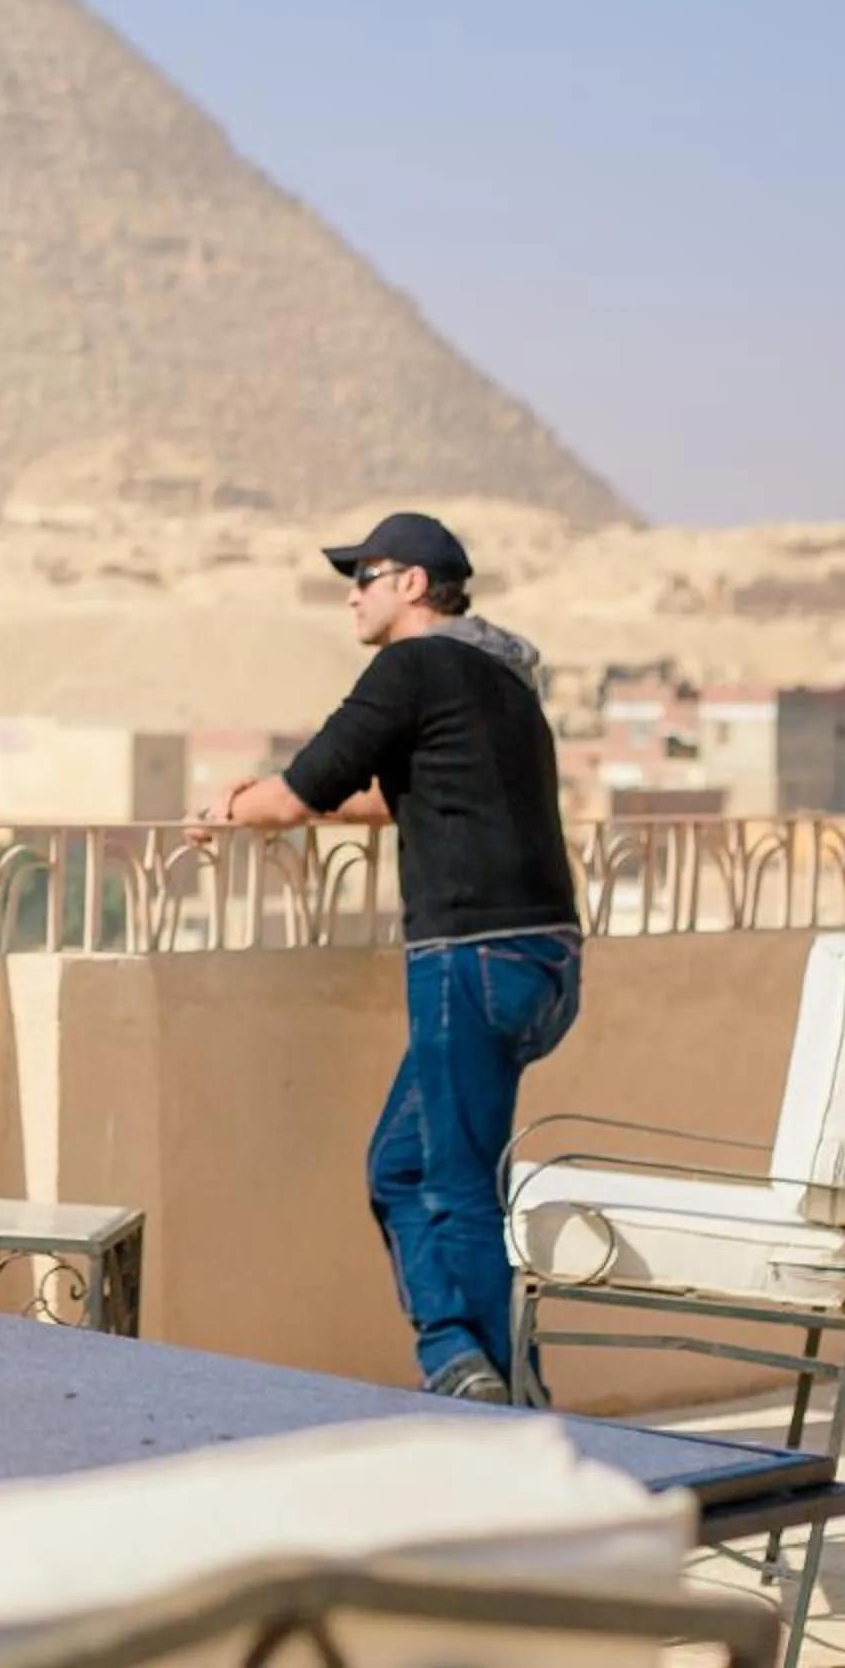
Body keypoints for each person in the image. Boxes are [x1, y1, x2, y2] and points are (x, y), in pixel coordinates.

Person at [203, 511, 582, 1402]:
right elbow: (389, 796)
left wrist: (234, 809)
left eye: (365, 576)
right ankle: (461, 1364)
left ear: (412, 585)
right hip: (546, 960)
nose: (351, 593)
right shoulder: (501, 677)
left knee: (455, 1186)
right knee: (402, 1167)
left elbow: (300, 794)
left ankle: (511, 1413)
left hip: (471, 958)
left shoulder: (411, 666)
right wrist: (283, 801)